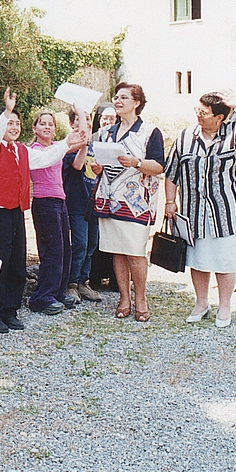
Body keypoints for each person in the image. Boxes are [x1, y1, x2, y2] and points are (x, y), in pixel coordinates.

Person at [0, 90, 86, 327]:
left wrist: (66, 144)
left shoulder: (22, 151)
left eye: (17, 123)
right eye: (10, 123)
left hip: (17, 210)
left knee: (17, 263)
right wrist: (7, 110)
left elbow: (47, 158)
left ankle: (10, 310)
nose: (14, 127)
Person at [164, 91, 236, 328]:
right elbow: (172, 172)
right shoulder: (186, 137)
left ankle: (225, 305)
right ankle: (201, 303)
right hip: (193, 212)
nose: (198, 115)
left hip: (225, 212)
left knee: (225, 261)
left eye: (204, 113)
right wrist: (169, 202)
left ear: (219, 118)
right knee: (198, 260)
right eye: (197, 110)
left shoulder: (235, 135)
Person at [93, 82, 165, 322]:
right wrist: (98, 167)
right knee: (118, 252)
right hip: (111, 199)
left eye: (124, 97)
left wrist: (136, 162)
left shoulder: (149, 131)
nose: (117, 100)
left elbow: (158, 166)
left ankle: (141, 298)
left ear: (137, 103)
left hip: (136, 203)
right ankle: (124, 298)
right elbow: (100, 165)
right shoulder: (106, 132)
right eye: (116, 96)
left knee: (135, 252)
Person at [26, 110, 77, 313]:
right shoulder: (35, 150)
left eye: (51, 124)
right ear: (35, 128)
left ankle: (58, 291)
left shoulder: (57, 147)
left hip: (60, 200)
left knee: (65, 249)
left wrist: (79, 110)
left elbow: (82, 138)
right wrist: (69, 143)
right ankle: (42, 296)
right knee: (52, 251)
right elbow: (48, 159)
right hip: (44, 202)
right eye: (42, 123)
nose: (47, 127)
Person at [62, 107, 103, 303]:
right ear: (72, 124)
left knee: (92, 244)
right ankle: (70, 283)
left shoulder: (95, 146)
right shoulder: (69, 145)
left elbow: (97, 172)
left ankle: (83, 281)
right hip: (75, 202)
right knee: (79, 243)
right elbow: (77, 165)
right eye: (81, 119)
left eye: (88, 119)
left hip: (92, 201)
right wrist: (83, 143)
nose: (86, 123)